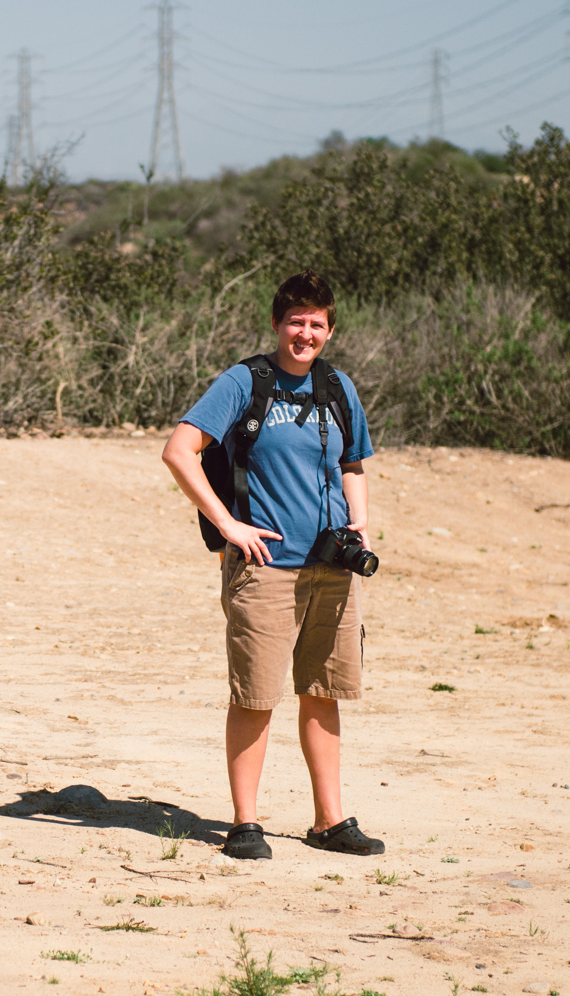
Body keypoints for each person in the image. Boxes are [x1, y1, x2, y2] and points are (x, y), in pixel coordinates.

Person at [160, 269, 383, 859]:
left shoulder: (337, 387)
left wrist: (360, 521)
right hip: (265, 568)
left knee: (323, 691)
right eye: (295, 321)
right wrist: (228, 525)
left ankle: (329, 822)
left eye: (317, 324)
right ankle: (245, 824)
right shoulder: (244, 382)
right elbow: (179, 451)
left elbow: (353, 464)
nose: (305, 333)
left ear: (330, 331)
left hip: (332, 566)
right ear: (277, 324)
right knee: (255, 696)